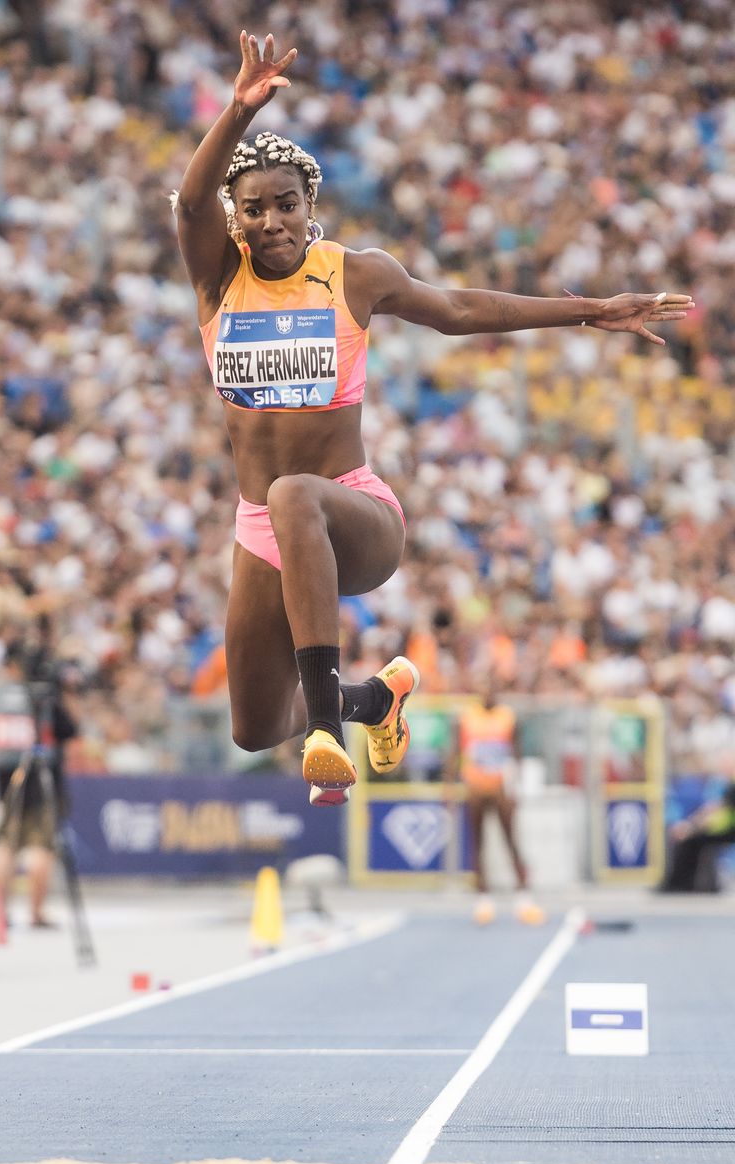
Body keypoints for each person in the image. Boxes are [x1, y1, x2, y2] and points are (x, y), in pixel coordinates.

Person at [172, 30, 693, 807]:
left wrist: (591, 312)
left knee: (294, 491)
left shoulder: (354, 275)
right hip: (264, 529)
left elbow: (458, 308)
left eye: (287, 204)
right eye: (255, 209)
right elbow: (189, 201)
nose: (273, 221)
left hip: (354, 512)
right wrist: (240, 109)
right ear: (236, 220)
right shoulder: (218, 280)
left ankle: (328, 731)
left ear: (311, 208)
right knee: (252, 726)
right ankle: (371, 701)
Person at [0, 637, 79, 928]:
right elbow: (71, 729)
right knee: (41, 846)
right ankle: (36, 912)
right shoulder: (43, 697)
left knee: (6, 844)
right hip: (42, 780)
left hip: (7, 781)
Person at [450, 680, 543, 925]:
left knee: (511, 841)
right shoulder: (467, 717)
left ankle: (524, 897)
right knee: (478, 844)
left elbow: (517, 752)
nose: (488, 693)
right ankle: (483, 900)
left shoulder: (507, 717)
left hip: (501, 787)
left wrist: (518, 786)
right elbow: (454, 752)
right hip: (476, 787)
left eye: (492, 689)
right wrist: (449, 786)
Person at [659, 781, 735, 893]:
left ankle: (681, 883)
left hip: (729, 831)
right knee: (692, 841)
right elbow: (717, 808)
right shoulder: (729, 792)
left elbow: (719, 808)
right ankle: (682, 882)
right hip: (725, 829)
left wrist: (691, 828)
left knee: (692, 841)